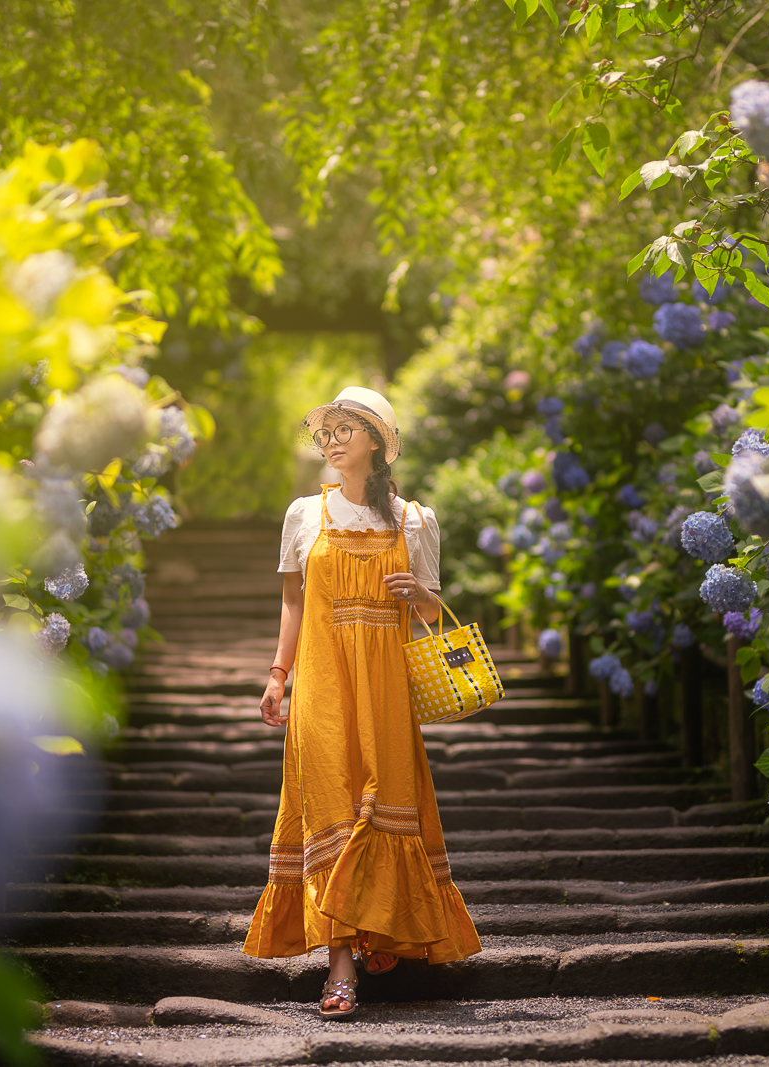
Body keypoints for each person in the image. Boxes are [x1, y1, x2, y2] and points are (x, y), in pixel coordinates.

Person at [243, 386, 481, 1020]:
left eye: (345, 428)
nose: (331, 438)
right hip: (321, 687)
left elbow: (435, 609)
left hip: (387, 689)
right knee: (331, 811)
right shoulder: (304, 516)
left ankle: (377, 930)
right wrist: (277, 675)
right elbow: (293, 603)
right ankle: (340, 967)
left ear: (376, 441)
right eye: (326, 429)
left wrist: (415, 596)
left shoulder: (415, 521)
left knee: (381, 810)